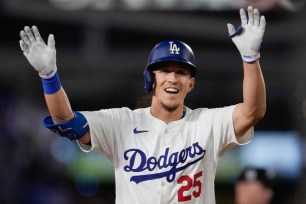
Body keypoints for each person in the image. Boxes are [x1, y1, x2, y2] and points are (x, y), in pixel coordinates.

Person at [19, 5, 266, 204]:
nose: (172, 78)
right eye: (165, 70)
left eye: (181, 72)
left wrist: (250, 59)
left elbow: (253, 112)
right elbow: (66, 121)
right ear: (152, 79)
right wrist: (49, 75)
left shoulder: (207, 123)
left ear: (190, 83)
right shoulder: (121, 123)